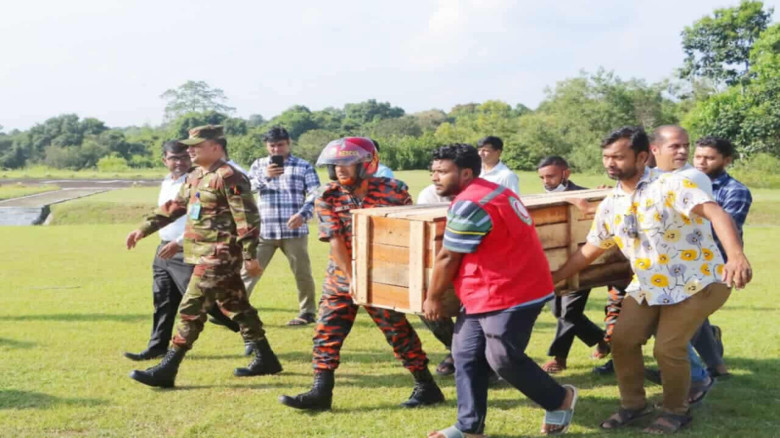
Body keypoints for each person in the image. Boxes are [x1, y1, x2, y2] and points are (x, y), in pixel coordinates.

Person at [553, 126, 752, 433]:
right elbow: (590, 249)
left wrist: (736, 255)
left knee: (667, 348)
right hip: (649, 285)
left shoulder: (672, 185)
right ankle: (633, 405)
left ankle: (676, 411)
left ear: (643, 156)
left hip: (698, 280)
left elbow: (716, 213)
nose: (610, 163)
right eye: (607, 157)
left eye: (619, 157)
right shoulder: (612, 202)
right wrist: (553, 278)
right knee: (621, 341)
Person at [279, 137, 444, 411]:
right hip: (342, 277)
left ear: (367, 164)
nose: (340, 169)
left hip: (384, 274)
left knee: (397, 331)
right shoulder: (327, 195)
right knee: (326, 331)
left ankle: (426, 386)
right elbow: (335, 241)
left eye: (347, 163)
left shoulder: (394, 190)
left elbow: (407, 232)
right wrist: (354, 280)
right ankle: (321, 392)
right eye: (335, 165)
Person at [424, 144, 578, 437]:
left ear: (466, 173)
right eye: (433, 171)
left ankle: (560, 399)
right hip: (487, 289)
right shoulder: (492, 190)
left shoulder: (471, 203)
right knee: (466, 354)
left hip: (513, 292)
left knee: (502, 358)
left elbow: (447, 256)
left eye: (443, 172)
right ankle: (469, 427)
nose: (435, 178)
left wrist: (433, 298)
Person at [124, 125, 282, 388]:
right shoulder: (196, 175)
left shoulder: (230, 176)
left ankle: (167, 368)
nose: (190, 150)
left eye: (197, 146)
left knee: (191, 309)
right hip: (201, 253)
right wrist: (144, 228)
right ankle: (266, 358)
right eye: (189, 146)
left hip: (219, 255)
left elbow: (247, 219)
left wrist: (249, 255)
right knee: (238, 307)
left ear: (216, 147)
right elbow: (174, 207)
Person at [125, 140, 240, 361]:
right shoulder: (168, 181)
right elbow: (166, 212)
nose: (179, 162)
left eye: (184, 157)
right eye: (173, 158)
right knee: (163, 300)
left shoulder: (198, 180)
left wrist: (179, 241)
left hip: (187, 248)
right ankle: (157, 346)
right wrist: (143, 230)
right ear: (164, 160)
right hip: (164, 249)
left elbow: (200, 217)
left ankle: (250, 336)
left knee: (206, 302)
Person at [536, 156, 609, 374]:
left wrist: (601, 196)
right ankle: (602, 340)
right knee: (559, 311)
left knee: (568, 312)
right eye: (542, 177)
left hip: (583, 263)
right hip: (552, 266)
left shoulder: (587, 196)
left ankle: (559, 358)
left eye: (551, 176)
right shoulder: (538, 199)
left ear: (566, 174)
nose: (546, 181)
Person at [243, 126, 320, 328]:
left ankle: (308, 312)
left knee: (302, 273)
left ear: (289, 143)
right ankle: (235, 310)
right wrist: (266, 176)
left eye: (280, 145)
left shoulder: (303, 166)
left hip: (294, 230)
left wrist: (303, 215)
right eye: (272, 145)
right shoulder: (259, 165)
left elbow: (315, 194)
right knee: (249, 271)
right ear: (266, 146)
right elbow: (245, 189)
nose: (276, 149)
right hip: (265, 229)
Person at [694, 136, 752, 378]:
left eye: (709, 158)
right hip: (684, 261)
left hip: (715, 263)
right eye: (698, 156)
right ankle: (717, 367)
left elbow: (724, 227)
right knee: (692, 315)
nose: (701, 162)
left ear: (726, 160)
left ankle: (690, 373)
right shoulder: (685, 184)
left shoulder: (735, 191)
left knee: (687, 315)